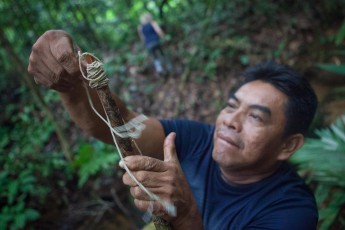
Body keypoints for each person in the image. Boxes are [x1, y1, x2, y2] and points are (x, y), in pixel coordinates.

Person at [28, 30, 318, 229]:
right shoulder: (195, 139)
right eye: (231, 106)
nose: (231, 120)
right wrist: (69, 85)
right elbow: (122, 123)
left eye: (255, 117)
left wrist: (187, 215)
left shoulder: (292, 212)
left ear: (288, 146)